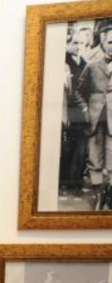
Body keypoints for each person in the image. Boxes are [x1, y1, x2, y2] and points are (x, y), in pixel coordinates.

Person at [75, 19, 112, 210]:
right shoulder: (92, 65)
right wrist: (85, 110)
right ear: (103, 42)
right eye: (111, 42)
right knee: (95, 158)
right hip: (95, 120)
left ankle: (109, 195)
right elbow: (78, 92)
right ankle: (99, 195)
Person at [60, 28, 90, 197]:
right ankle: (64, 182)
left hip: (82, 113)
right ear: (66, 44)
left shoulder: (84, 63)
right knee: (68, 149)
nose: (79, 46)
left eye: (81, 43)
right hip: (68, 112)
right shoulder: (63, 63)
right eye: (75, 43)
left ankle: (76, 182)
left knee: (81, 149)